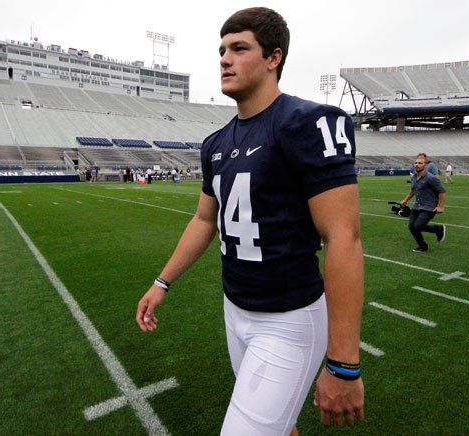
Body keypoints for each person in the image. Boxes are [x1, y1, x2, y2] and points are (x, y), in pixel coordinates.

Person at [136, 7, 365, 435]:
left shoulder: (307, 122)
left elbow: (343, 238)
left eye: (239, 48)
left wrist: (344, 363)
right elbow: (205, 219)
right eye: (222, 49)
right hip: (235, 309)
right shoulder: (217, 142)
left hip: (289, 318)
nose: (224, 58)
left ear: (273, 58)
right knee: (279, 426)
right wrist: (161, 282)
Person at [400, 155, 447, 252]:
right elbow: (413, 190)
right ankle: (423, 246)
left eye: (420, 163)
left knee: (418, 226)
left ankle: (438, 229)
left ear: (425, 166)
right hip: (417, 206)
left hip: (429, 207)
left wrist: (441, 206)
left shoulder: (431, 178)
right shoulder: (414, 177)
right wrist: (405, 200)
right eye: (416, 163)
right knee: (412, 227)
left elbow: (442, 191)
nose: (417, 165)